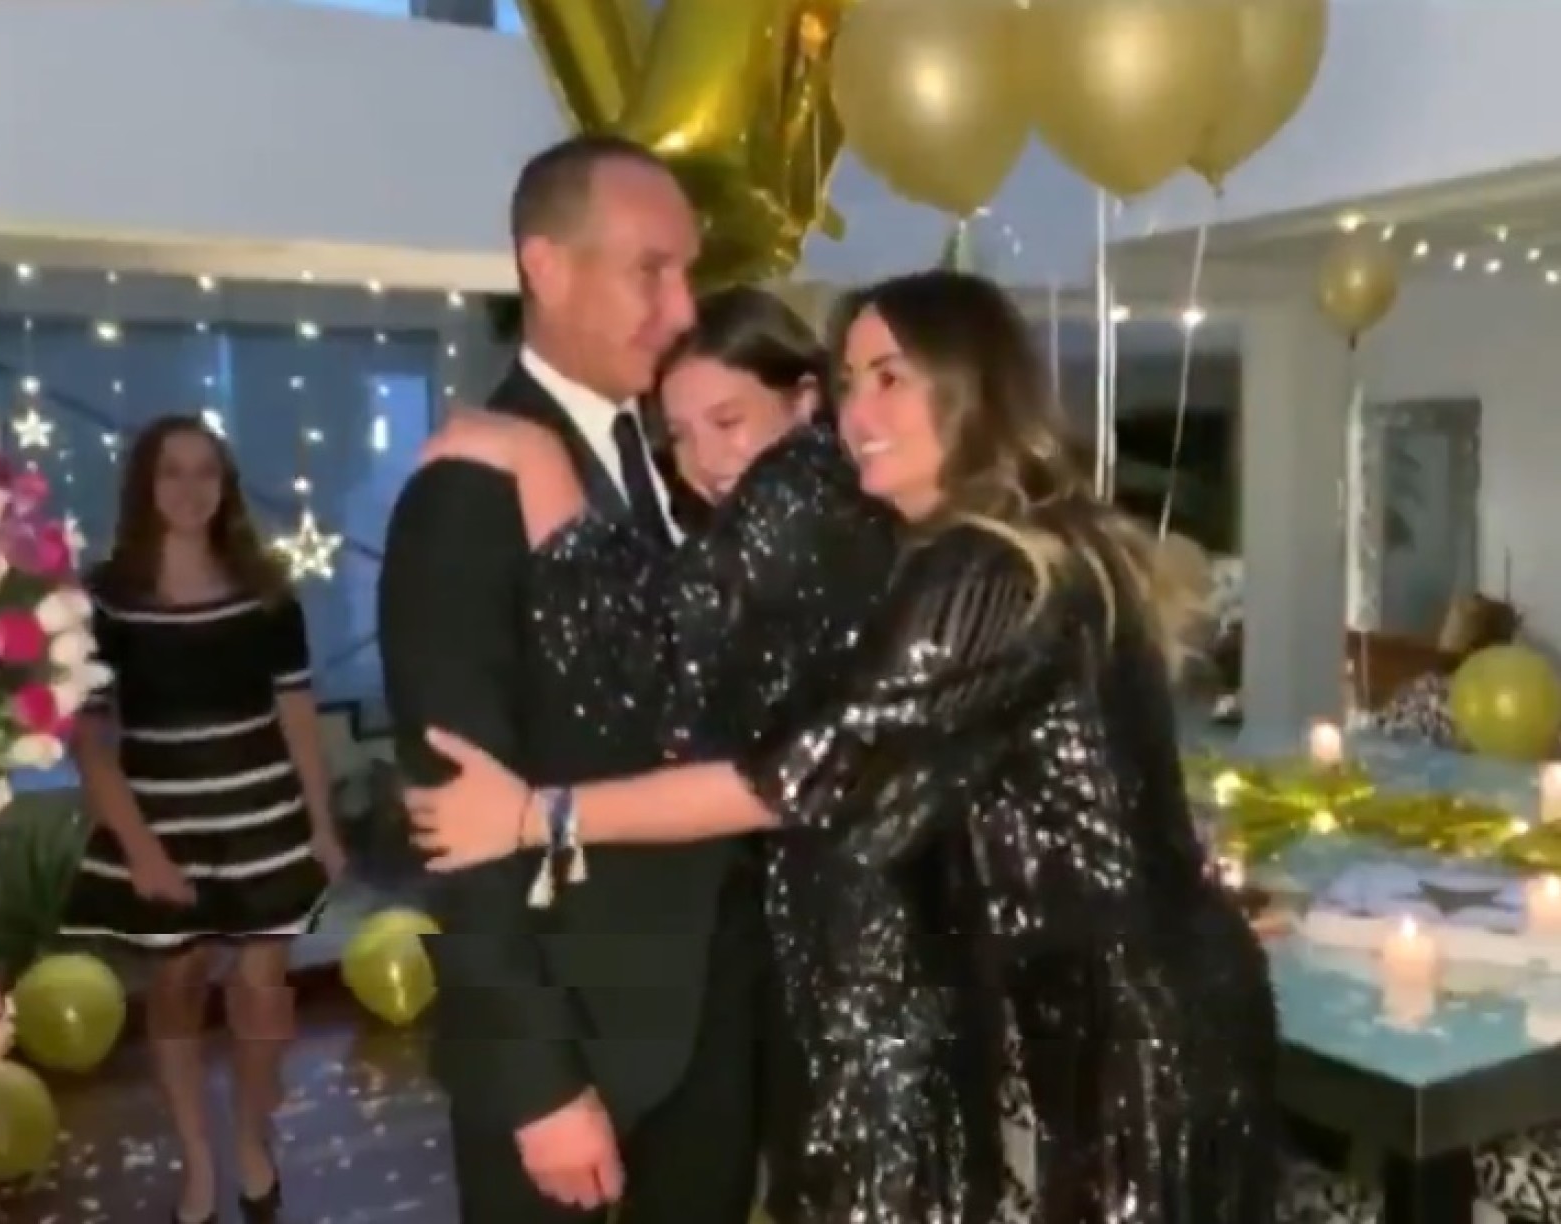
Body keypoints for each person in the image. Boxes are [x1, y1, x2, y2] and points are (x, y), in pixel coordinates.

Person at [405, 270, 1282, 1224]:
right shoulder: (1000, 542)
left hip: (1129, 1022)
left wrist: (536, 815)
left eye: (890, 378)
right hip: (1109, 1000)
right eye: (852, 380)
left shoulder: (989, 564)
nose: (857, 413)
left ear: (973, 384)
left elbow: (795, 776)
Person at [420, 284, 901, 1219]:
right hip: (819, 940)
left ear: (806, 399)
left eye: (729, 419)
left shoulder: (802, 486)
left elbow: (656, 652)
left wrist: (536, 461)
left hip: (855, 942)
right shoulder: (820, 507)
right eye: (679, 434)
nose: (707, 458)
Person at [377, 134, 764, 1224]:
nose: (682, 308)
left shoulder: (691, 466)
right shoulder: (468, 489)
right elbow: (455, 813)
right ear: (545, 268)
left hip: (716, 1030)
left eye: (689, 273)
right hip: (577, 1046)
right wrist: (536, 1083)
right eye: (652, 270)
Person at [62, 416, 347, 1224]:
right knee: (178, 985)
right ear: (143, 487)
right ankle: (197, 1159)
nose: (190, 489)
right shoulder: (104, 600)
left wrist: (322, 824)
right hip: (162, 821)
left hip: (265, 817)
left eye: (205, 472)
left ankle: (253, 1138)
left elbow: (298, 716)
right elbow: (88, 739)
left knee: (262, 991)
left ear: (226, 486)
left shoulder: (268, 593)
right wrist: (139, 851)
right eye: (171, 472)